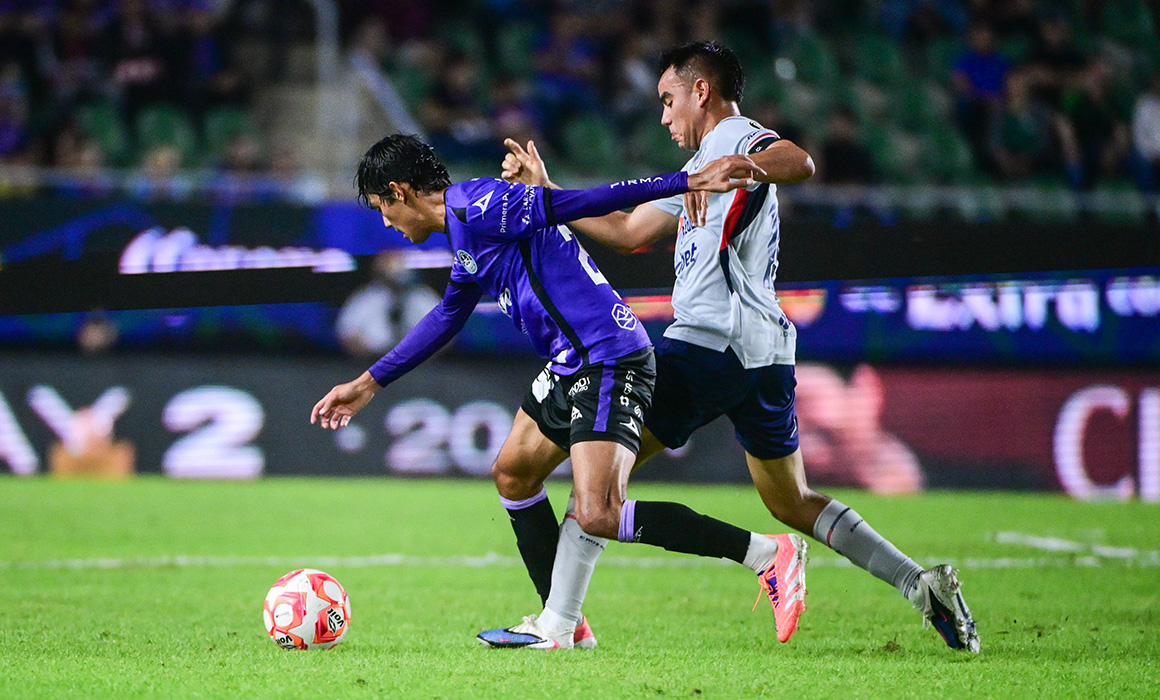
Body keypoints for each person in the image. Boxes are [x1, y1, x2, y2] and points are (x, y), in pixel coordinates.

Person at [483, 41, 979, 653]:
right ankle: (920, 583)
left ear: (701, 92)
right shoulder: (696, 168)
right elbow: (627, 231)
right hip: (764, 353)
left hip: (709, 343)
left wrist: (742, 169)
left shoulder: (735, 138)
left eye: (669, 101)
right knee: (791, 498)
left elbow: (797, 161)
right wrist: (548, 193)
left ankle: (559, 625)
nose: (664, 117)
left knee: (600, 489)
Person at [311, 133, 809, 650]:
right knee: (513, 473)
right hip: (570, 362)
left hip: (608, 355)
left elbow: (580, 202)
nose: (386, 223)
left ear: (400, 190)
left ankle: (765, 555)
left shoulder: (478, 204)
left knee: (599, 512)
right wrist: (369, 383)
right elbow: (446, 316)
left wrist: (685, 181)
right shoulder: (464, 233)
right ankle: (562, 624)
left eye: (381, 209)